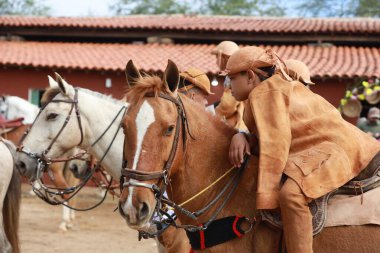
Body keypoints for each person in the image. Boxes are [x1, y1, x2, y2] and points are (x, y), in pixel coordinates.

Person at [223, 46, 380, 253]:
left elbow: (275, 144)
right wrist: (243, 136)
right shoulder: (273, 88)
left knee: (290, 196)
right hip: (334, 147)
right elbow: (271, 134)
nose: (227, 85)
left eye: (231, 78)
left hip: (338, 149)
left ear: (250, 76)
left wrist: (267, 196)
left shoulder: (266, 91)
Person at [211, 41, 247, 130]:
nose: (216, 61)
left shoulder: (234, 75)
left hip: (239, 125)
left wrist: (212, 113)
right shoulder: (237, 73)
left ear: (223, 57)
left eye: (217, 57)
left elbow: (228, 104)